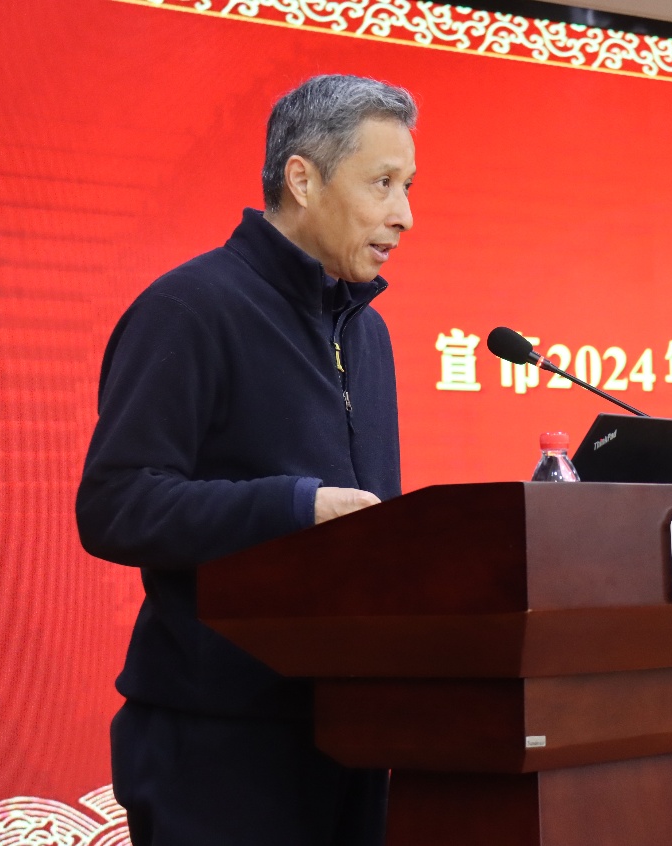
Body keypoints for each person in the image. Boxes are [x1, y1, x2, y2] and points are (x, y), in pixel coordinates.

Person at [75, 74, 417, 845]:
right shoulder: (191, 308)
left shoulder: (367, 332)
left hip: (352, 730)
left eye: (408, 186)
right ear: (302, 178)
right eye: (382, 183)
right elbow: (115, 504)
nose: (403, 214)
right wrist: (294, 507)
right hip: (217, 741)